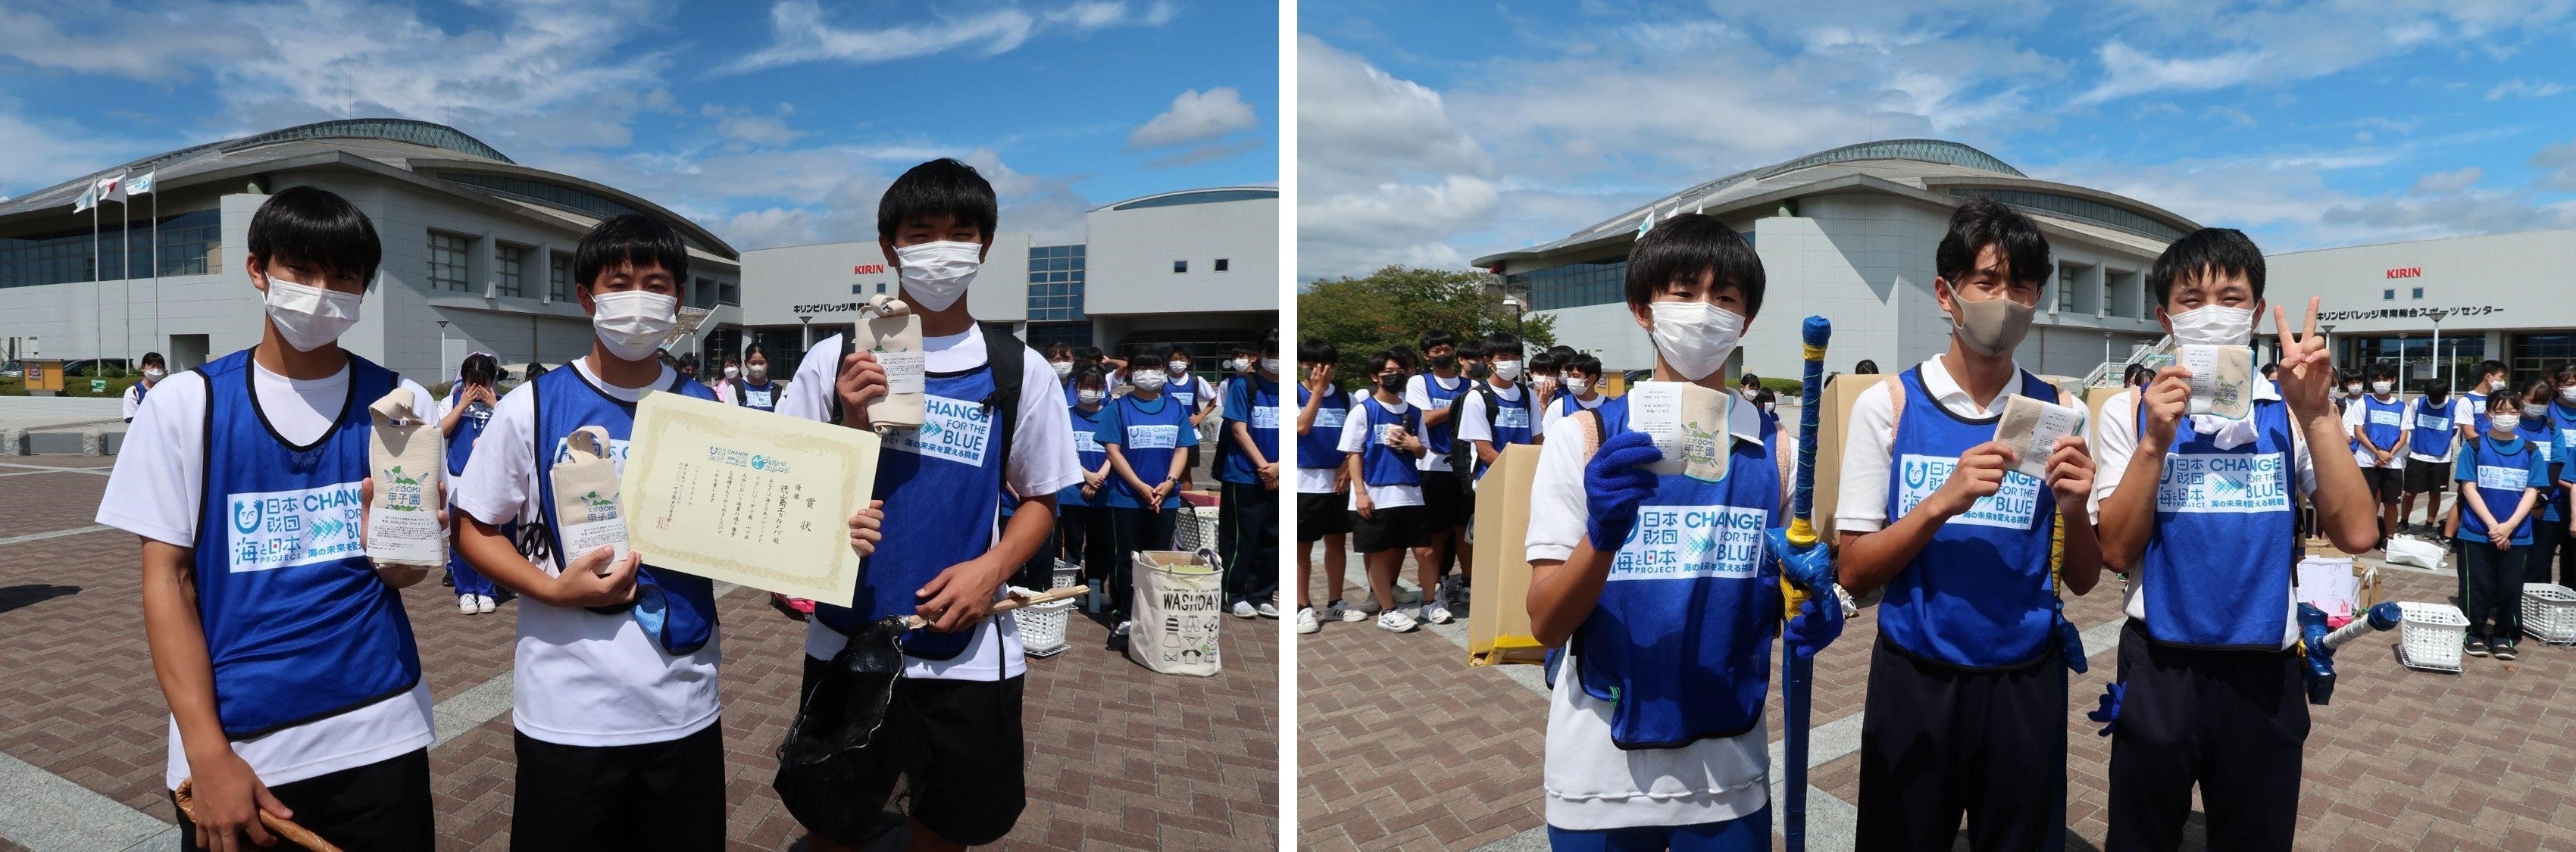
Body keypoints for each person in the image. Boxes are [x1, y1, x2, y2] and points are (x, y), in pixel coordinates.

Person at [100, 186, 439, 850]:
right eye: (301, 270)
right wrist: (207, 752)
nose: (321, 293)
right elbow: (167, 583)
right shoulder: (184, 404)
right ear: (258, 270)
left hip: (383, 729)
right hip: (239, 746)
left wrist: (397, 545)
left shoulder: (401, 402)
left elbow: (403, 574)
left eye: (343, 277)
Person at [771, 158, 1078, 851]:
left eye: (959, 232)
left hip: (966, 653)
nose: (941, 248)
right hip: (849, 641)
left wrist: (990, 570)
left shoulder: (1017, 367)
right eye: (922, 231)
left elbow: (1039, 500)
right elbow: (784, 492)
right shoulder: (830, 361)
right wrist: (850, 423)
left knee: (944, 829)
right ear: (890, 248)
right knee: (833, 823)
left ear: (984, 247)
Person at [1524, 212, 1835, 849]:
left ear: (1745, 320)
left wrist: (1815, 601)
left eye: (1724, 299)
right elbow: (1547, 623)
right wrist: (1603, 537)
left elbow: (1784, 594)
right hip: (1598, 774)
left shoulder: (1777, 449)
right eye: (1683, 292)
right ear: (1643, 309)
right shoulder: (1582, 437)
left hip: (1729, 770)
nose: (1703, 313)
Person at [449, 214, 743, 850]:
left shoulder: (710, 409)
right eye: (621, 281)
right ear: (588, 297)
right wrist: (550, 590)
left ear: (677, 300)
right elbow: (472, 526)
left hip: (684, 707)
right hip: (568, 712)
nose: (639, 296)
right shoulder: (532, 404)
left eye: (656, 282)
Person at [2090, 227, 2377, 851]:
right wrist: (2155, 443)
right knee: (2140, 834)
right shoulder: (2128, 410)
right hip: (2160, 660)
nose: (2212, 311)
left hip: (2265, 670)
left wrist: (2319, 413)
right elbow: (2114, 549)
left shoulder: (2289, 407)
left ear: (2255, 310)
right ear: (2165, 316)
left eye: (2230, 295)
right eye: (2191, 299)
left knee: (2256, 835)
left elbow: (2358, 531)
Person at [1835, 200, 2100, 850]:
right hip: (1915, 677)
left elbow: (2087, 579)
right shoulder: (1889, 405)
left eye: (2022, 286)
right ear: (1946, 293)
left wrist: (2073, 506)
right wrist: (1938, 503)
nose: (2003, 301)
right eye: (1986, 282)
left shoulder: (2060, 412)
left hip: (2024, 681)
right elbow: (1855, 569)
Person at [1099, 345, 1198, 642]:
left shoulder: (1175, 408)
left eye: (1155, 368)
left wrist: (1169, 483)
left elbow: (1182, 448)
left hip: (1165, 500)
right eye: (1142, 368)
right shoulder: (1118, 407)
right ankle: (1125, 614)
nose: (1149, 374)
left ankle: (1152, 615)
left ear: (1165, 373)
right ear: (1130, 373)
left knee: (1159, 561)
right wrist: (1140, 486)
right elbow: (1112, 450)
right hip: (1126, 497)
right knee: (1127, 559)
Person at [1343, 349, 1429, 633]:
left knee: (1422, 551)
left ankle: (1429, 602)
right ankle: (1387, 610)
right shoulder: (1364, 410)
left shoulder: (1413, 412)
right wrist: (1360, 493)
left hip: (1410, 492)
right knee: (1379, 554)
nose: (1394, 377)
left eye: (1399, 371)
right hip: (1376, 493)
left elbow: (1421, 450)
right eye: (1387, 373)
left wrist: (1413, 445)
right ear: (1374, 377)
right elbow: (1353, 453)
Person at [2456, 392, 2546, 660]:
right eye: (2500, 410)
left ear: (2520, 414)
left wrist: (2509, 527)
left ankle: (2505, 635)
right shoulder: (2473, 447)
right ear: (2488, 415)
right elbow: (2468, 488)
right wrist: (2494, 526)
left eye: (2512, 411)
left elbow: (2532, 491)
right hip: (2476, 531)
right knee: (2476, 587)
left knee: (2510, 588)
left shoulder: (2531, 451)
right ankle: (2472, 633)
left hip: (2517, 534)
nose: (2506, 416)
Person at [1409, 332, 1477, 619]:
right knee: (1437, 531)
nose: (1442, 353)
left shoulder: (1471, 384)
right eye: (1436, 350)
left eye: (1447, 348)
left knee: (1466, 530)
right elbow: (1425, 418)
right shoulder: (1419, 382)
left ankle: (1469, 582)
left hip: (1464, 467)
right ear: (1427, 356)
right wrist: (1460, 406)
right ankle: (1436, 581)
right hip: (1433, 466)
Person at [1296, 339, 1361, 634]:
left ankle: (1336, 601)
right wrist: (1318, 392)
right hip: (1303, 481)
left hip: (1337, 483)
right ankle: (1302, 606)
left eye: (1322, 366)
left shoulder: (1348, 399)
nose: (1316, 371)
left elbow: (1358, 440)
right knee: (1301, 548)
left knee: (1337, 542)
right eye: (1309, 365)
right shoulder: (1292, 392)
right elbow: (1300, 427)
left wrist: (1347, 467)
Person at [1219, 332, 1281, 619]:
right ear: (1260, 354)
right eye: (1272, 352)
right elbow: (1238, 430)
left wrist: (1279, 467)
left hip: (1281, 474)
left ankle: (1262, 594)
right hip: (1245, 475)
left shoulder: (1295, 390)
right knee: (1241, 538)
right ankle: (1234, 593)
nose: (1277, 359)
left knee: (1273, 538)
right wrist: (1265, 468)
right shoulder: (1245, 386)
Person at [440, 351, 505, 615]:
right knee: (460, 539)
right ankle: (465, 591)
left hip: (492, 480)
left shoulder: (504, 403)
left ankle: (487, 591)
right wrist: (461, 406)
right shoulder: (450, 401)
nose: (477, 388)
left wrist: (495, 406)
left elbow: (518, 431)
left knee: (490, 536)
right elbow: (439, 431)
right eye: (472, 382)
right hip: (458, 480)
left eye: (483, 381)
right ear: (464, 380)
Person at [1059, 364, 1118, 607]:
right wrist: (1086, 476)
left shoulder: (1112, 414)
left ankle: (1094, 594)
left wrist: (1099, 477)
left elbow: (1116, 452)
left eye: (1095, 387)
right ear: (1077, 388)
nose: (1089, 391)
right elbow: (1062, 451)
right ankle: (1073, 592)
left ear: (1103, 389)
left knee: (1099, 546)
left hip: (1103, 494)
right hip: (1072, 493)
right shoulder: (1066, 415)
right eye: (1085, 387)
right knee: (1072, 546)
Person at [2345, 361, 2407, 548]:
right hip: (2366, 460)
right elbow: (2359, 432)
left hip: (2393, 462)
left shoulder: (2402, 406)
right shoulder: (2363, 403)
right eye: (2377, 379)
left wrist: (2388, 455)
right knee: (2367, 501)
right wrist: (2377, 452)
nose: (2381, 383)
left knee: (2391, 503)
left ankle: (2389, 537)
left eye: (2385, 379)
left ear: (2393, 380)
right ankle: (2368, 536)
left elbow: (2403, 436)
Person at [2399, 379, 2471, 535]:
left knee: (2435, 493)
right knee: (2410, 493)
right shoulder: (2417, 404)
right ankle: (2403, 522)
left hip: (2441, 458)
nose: (2434, 401)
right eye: (2431, 398)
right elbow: (2410, 426)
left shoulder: (2453, 407)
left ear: (2445, 395)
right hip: (2418, 455)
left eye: (2437, 398)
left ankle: (2429, 525)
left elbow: (2453, 431)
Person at [2538, 367, 2576, 586]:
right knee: (2541, 559)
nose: (2573, 389)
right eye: (2569, 384)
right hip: (2550, 498)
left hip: (2574, 502)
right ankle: (2538, 608)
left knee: (2571, 562)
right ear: (2558, 386)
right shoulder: (2547, 413)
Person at [1541, 354, 1608, 432]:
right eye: (1569, 376)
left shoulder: (1611, 407)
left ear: (1592, 378)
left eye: (1576, 376)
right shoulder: (1558, 407)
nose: (1570, 380)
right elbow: (1549, 438)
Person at [717, 342, 783, 413]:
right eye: (753, 363)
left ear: (768, 362)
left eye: (762, 363)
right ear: (746, 363)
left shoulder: (778, 391)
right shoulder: (735, 389)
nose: (757, 367)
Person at [2464, 360, 2509, 434]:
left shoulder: (2498, 398)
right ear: (2489, 377)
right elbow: (2469, 433)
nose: (2503, 382)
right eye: (2502, 377)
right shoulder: (2467, 401)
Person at [122, 351, 167, 423]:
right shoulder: (134, 391)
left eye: (160, 367)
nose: (156, 370)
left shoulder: (169, 390)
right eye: (152, 366)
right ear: (143, 368)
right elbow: (131, 418)